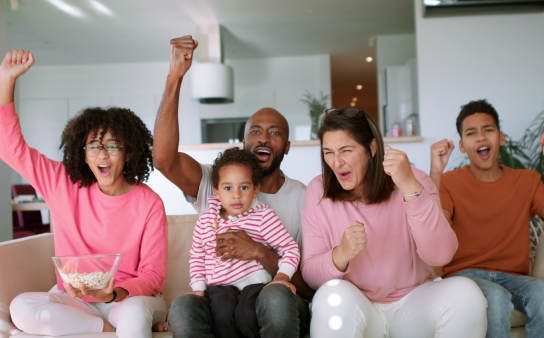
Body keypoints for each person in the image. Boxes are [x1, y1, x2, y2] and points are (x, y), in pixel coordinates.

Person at [153, 35, 312, 337]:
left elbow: (309, 285)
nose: (263, 138)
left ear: (287, 146)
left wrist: (259, 252)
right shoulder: (216, 184)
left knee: (276, 297)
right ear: (244, 142)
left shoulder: (303, 198)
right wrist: (175, 77)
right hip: (221, 301)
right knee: (183, 308)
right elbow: (163, 160)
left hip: (279, 302)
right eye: (255, 131)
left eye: (274, 132)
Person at [1, 50, 168, 337]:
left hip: (127, 298)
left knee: (133, 315)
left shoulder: (148, 202)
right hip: (76, 300)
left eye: (113, 145)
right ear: (84, 154)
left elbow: (153, 277)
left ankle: (118, 323)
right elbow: (9, 148)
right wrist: (6, 80)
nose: (102, 154)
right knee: (21, 306)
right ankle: (104, 330)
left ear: (128, 153)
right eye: (94, 146)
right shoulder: (62, 183)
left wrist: (114, 293)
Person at [301, 107, 488, 337]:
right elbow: (310, 274)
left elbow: (441, 255)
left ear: (371, 148)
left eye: (346, 150)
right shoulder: (317, 191)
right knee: (331, 295)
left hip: (413, 304)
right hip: (358, 306)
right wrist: (341, 253)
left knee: (466, 293)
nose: (336, 162)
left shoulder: (415, 179)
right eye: (328, 152)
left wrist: (410, 186)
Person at [430, 99, 544, 338]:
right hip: (464, 276)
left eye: (488, 129)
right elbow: (435, 231)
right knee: (495, 299)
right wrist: (435, 172)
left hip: (514, 278)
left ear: (502, 138)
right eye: (471, 133)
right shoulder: (448, 182)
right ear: (463, 146)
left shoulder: (528, 180)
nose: (480, 137)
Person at [189, 147, 300, 337]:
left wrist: (283, 276)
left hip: (255, 287)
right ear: (216, 190)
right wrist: (198, 288)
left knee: (247, 314)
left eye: (244, 187)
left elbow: (289, 248)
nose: (236, 195)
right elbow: (196, 256)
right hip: (219, 288)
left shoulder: (263, 217)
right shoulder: (205, 221)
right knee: (221, 314)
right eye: (228, 187)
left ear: (255, 189)